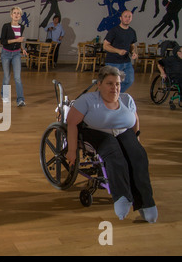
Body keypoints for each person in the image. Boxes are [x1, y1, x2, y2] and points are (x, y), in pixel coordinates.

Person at [66, 65, 157, 223]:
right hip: (96, 132)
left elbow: (135, 120)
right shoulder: (87, 100)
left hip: (123, 131)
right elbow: (72, 123)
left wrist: (136, 140)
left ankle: (146, 204)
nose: (115, 87)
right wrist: (72, 150)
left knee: (139, 157)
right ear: (99, 84)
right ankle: (122, 198)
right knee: (115, 156)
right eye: (110, 83)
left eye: (117, 84)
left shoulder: (126, 99)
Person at [103, 10, 138, 92]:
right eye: (125, 16)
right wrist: (117, 51)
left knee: (129, 80)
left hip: (126, 62)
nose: (127, 18)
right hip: (113, 62)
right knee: (113, 82)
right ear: (121, 18)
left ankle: (116, 94)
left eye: (129, 17)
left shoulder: (132, 32)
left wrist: (134, 52)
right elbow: (105, 45)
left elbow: (132, 45)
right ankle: (111, 96)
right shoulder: (114, 31)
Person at [0, 6, 27, 106]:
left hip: (16, 54)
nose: (16, 15)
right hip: (6, 54)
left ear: (20, 16)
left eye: (18, 13)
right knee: (7, 77)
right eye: (14, 13)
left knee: (17, 77)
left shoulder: (22, 27)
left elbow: (19, 42)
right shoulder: (6, 26)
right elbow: (3, 41)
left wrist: (22, 49)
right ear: (11, 15)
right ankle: (5, 95)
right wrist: (17, 40)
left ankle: (20, 99)